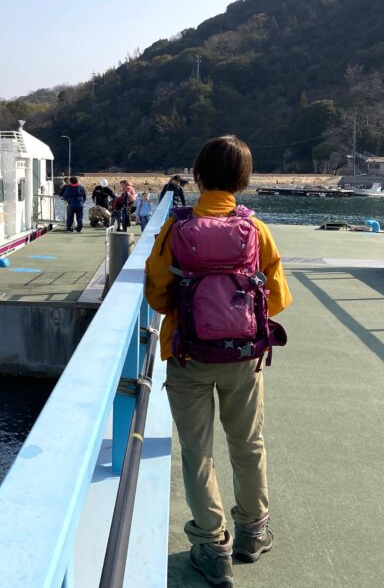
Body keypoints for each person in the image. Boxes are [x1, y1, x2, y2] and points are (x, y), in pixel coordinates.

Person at [145, 135, 292, 587]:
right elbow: (278, 297)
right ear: (243, 180)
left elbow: (157, 293)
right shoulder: (255, 228)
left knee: (198, 451)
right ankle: (253, 531)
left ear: (198, 176)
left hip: (188, 353)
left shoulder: (177, 228)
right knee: (247, 443)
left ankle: (212, 546)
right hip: (243, 357)